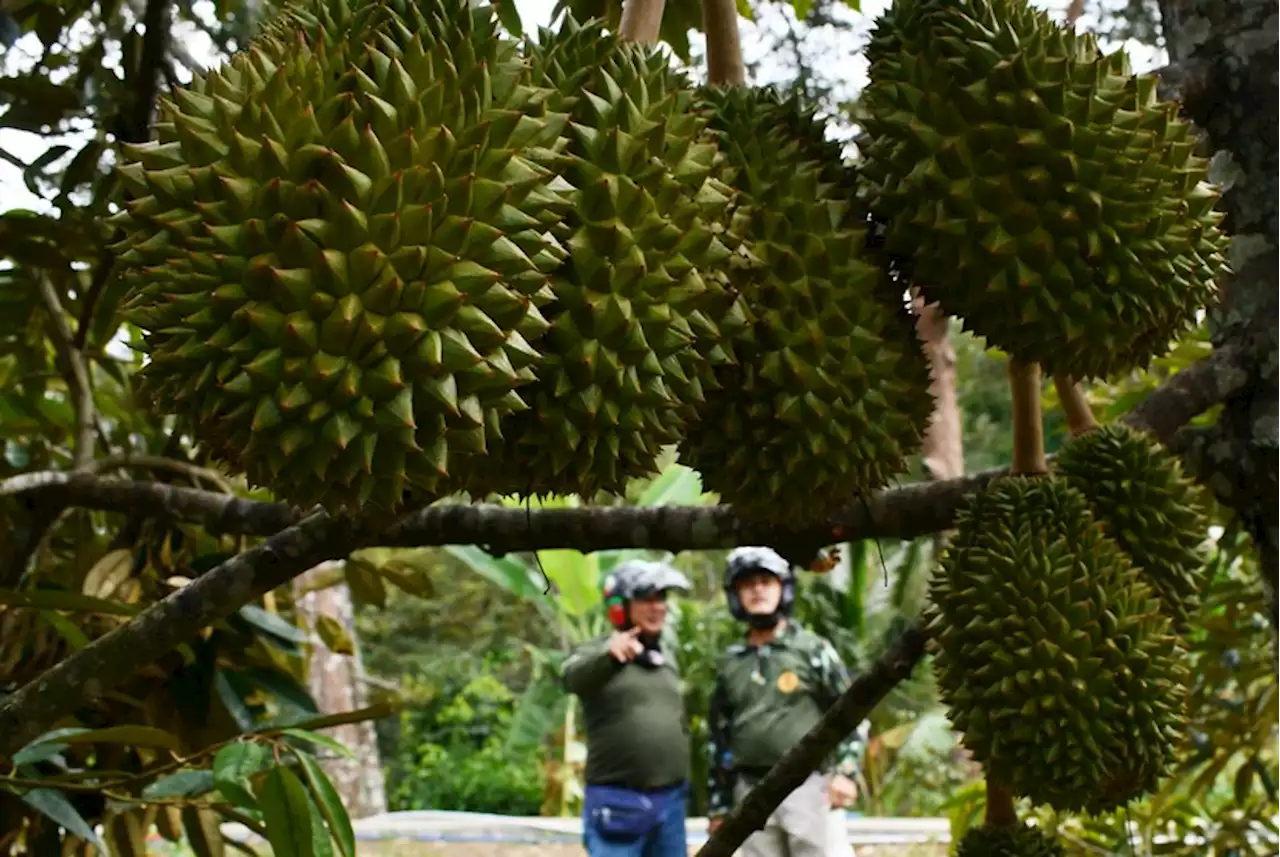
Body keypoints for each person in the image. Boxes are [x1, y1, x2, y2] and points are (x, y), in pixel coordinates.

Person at [705, 546, 866, 857]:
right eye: (748, 584)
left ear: (784, 587)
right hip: (750, 791)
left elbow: (852, 712)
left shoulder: (811, 649)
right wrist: (718, 805)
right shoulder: (730, 662)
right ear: (736, 594)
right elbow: (718, 737)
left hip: (807, 787)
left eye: (767, 581)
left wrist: (846, 773)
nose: (758, 590)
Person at [562, 559, 694, 857]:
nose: (657, 607)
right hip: (617, 801)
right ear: (620, 606)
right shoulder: (598, 651)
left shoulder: (666, 656)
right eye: (646, 599)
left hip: (670, 801)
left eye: (661, 598)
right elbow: (570, 677)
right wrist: (609, 655)